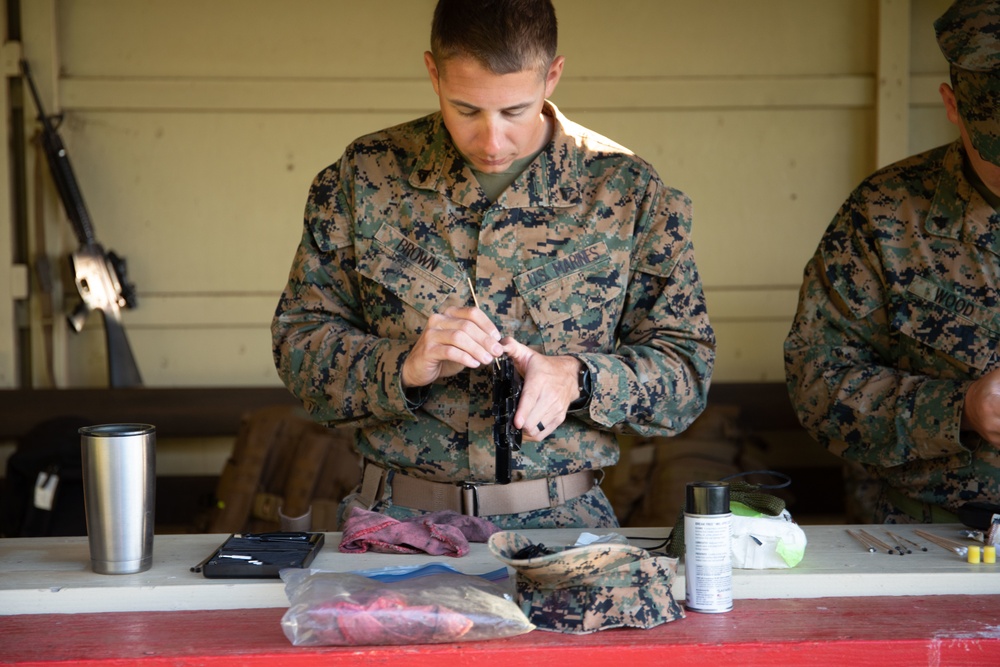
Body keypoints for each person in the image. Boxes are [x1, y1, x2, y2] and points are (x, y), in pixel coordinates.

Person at [271, 0, 715, 529]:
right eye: (465, 110)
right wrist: (404, 367)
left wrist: (579, 379)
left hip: (565, 529)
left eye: (514, 112)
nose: (491, 141)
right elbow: (299, 343)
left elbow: (686, 368)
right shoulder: (364, 176)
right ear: (433, 73)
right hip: (397, 527)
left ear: (552, 76)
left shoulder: (625, 191)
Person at [784, 0, 1000, 524]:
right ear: (952, 105)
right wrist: (960, 408)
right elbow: (818, 383)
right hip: (934, 531)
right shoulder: (886, 213)